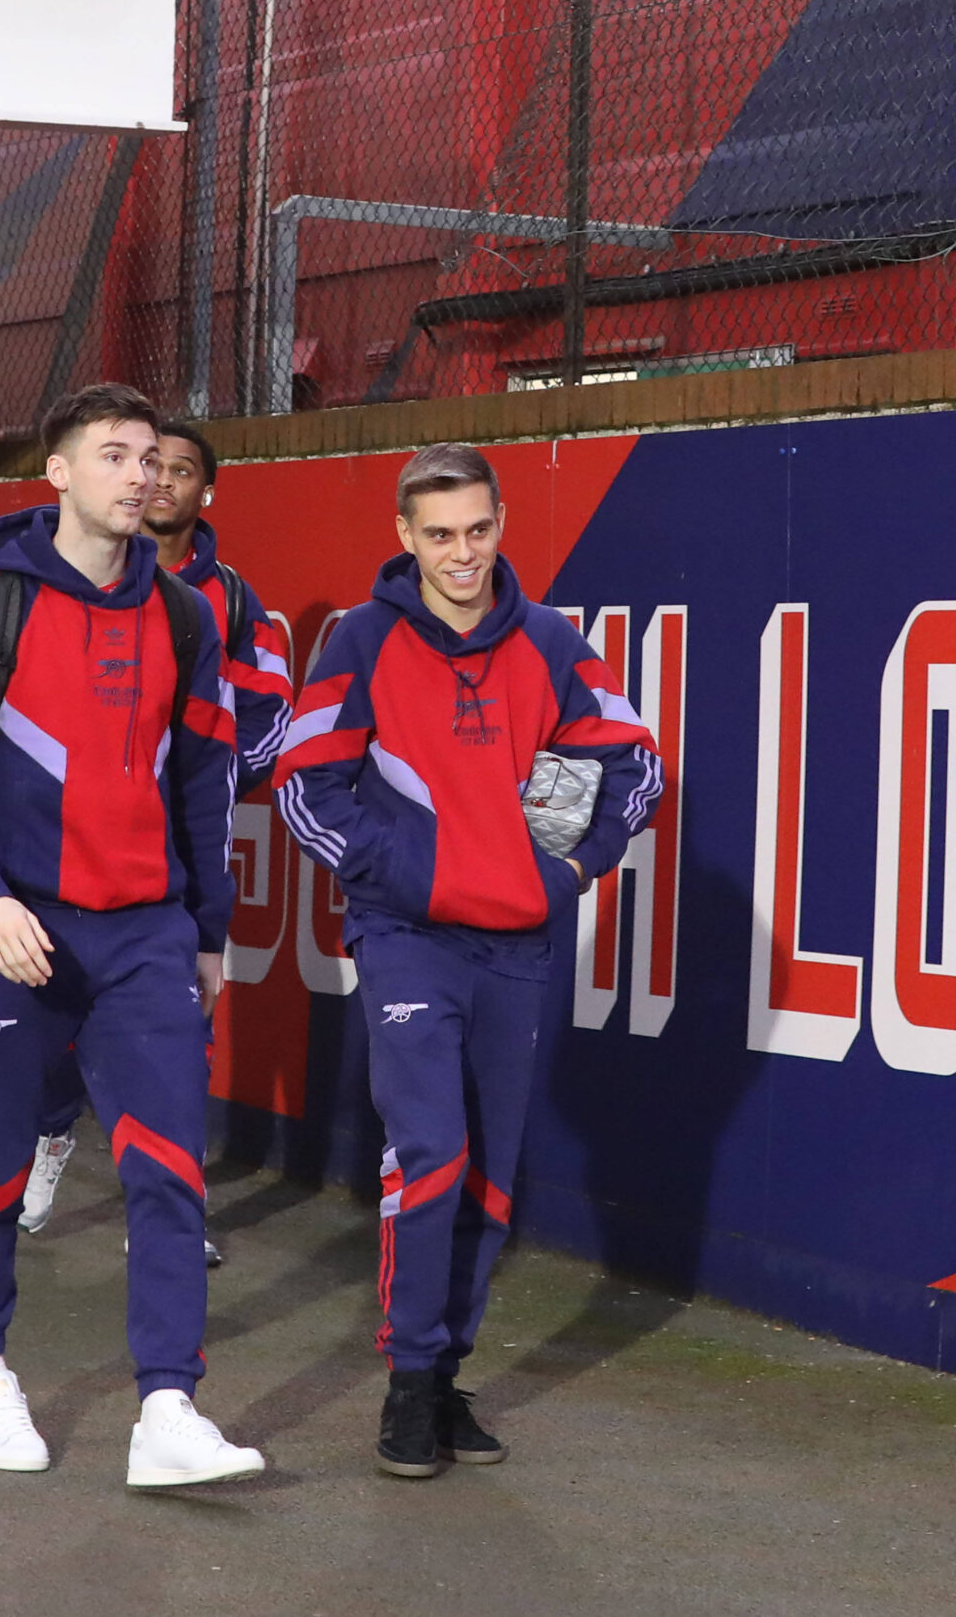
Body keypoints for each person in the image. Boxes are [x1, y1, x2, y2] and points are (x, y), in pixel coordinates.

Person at [272, 442, 663, 1477]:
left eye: (478, 531)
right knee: (430, 1153)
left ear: (499, 525)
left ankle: (446, 1379)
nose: (461, 554)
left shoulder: (548, 641)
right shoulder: (358, 642)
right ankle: (405, 1386)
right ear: (404, 537)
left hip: (518, 945)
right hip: (407, 941)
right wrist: (393, 874)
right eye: (439, 535)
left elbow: (635, 765)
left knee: (490, 1173)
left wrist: (571, 873)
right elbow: (307, 788)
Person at [0, 381, 263, 1485]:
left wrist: (207, 930)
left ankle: (168, 1410)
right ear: (56, 472)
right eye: (114, 455)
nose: (141, 475)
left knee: (168, 1172)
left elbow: (207, 780)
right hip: (20, 931)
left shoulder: (186, 615)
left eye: (151, 458)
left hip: (147, 939)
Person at [17, 416, 296, 1248]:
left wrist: (194, 781)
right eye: (148, 463)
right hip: (78, 851)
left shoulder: (233, 602)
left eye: (179, 469)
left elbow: (270, 717)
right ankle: (53, 1130)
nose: (160, 480)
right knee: (60, 1019)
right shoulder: (69, 581)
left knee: (182, 1029)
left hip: (178, 848)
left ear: (206, 491)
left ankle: (172, 1202)